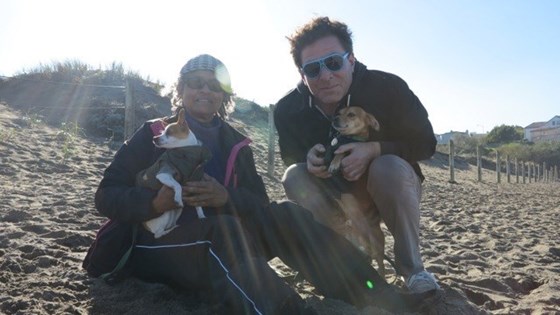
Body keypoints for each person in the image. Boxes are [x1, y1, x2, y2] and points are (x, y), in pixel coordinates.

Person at [86, 54, 432, 314]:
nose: (205, 89)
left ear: (224, 94)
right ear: (180, 89)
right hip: (151, 246)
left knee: (286, 215)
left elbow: (258, 205)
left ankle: (375, 293)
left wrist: (225, 196)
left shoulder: (235, 141)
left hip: (220, 242)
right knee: (220, 233)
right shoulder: (154, 134)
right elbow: (106, 196)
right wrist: (154, 204)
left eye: (213, 84)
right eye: (195, 82)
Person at [274, 17, 441, 295]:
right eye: (313, 69)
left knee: (386, 167)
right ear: (302, 74)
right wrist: (307, 159)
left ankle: (413, 272)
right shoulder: (288, 109)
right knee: (294, 176)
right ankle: (347, 262)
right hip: (335, 196)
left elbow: (426, 144)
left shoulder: (388, 88)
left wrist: (375, 150)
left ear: (351, 59)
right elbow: (288, 156)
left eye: (334, 62)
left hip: (390, 188)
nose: (325, 75)